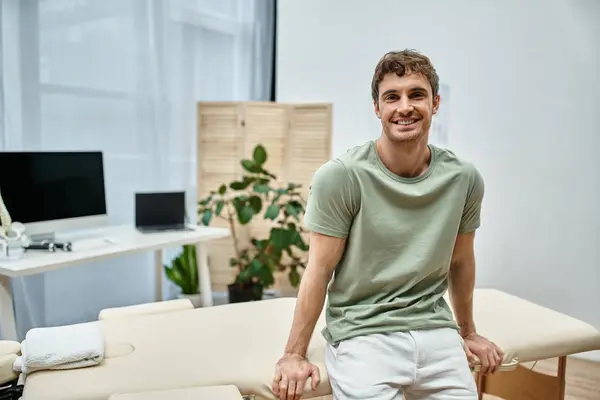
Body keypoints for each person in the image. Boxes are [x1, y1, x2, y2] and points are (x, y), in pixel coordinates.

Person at [271, 49, 504, 400]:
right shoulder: (342, 177)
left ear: (435, 103)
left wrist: (468, 331)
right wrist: (294, 353)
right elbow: (319, 269)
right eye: (392, 97)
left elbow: (461, 260)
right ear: (377, 108)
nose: (405, 107)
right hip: (363, 333)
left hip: (435, 330)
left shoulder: (464, 179)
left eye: (417, 94)